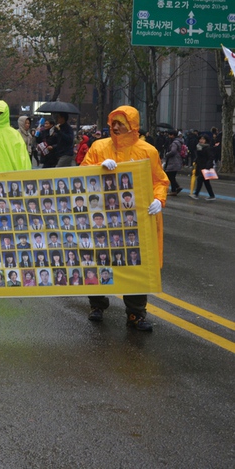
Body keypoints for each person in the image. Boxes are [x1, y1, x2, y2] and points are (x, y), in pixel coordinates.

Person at [81, 105, 168, 332]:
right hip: (102, 216)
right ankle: (97, 305)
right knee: (99, 259)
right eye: (114, 123)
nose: (117, 127)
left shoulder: (148, 151)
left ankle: (136, 313)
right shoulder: (99, 147)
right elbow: (81, 173)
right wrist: (96, 169)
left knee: (136, 263)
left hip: (135, 219)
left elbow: (160, 180)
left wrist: (159, 200)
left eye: (122, 123)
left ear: (133, 125)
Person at [191, 133, 217, 201]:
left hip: (205, 166)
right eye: (200, 139)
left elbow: (210, 158)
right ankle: (212, 195)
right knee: (206, 182)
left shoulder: (208, 148)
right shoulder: (199, 147)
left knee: (200, 180)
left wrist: (208, 167)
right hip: (200, 166)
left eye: (203, 139)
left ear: (206, 140)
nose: (201, 140)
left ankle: (196, 194)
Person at [163, 129, 184, 196]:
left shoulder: (174, 143)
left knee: (169, 175)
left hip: (173, 161)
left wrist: (167, 154)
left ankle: (176, 187)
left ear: (173, 135)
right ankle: (174, 190)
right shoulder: (179, 141)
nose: (169, 136)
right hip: (177, 161)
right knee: (172, 176)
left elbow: (173, 151)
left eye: (170, 135)